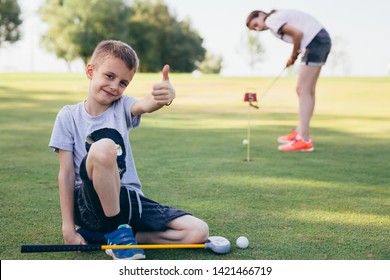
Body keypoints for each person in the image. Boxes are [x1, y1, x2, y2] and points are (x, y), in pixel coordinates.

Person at [49, 40, 209, 260]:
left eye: (123, 82)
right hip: (88, 204)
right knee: (104, 146)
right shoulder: (68, 116)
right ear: (90, 71)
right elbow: (66, 174)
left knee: (198, 231)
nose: (115, 86)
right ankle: (117, 235)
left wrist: (164, 96)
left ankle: (116, 235)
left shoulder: (122, 107)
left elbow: (144, 104)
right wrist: (68, 227)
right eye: (109, 76)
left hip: (127, 198)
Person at [246, 9, 331, 152]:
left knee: (302, 89)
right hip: (320, 40)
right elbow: (298, 36)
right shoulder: (275, 20)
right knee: (308, 90)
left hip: (314, 42)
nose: (258, 28)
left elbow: (298, 34)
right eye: (254, 29)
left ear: (261, 15)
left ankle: (303, 139)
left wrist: (293, 56)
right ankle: (300, 133)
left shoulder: (270, 20)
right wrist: (295, 54)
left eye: (255, 24)